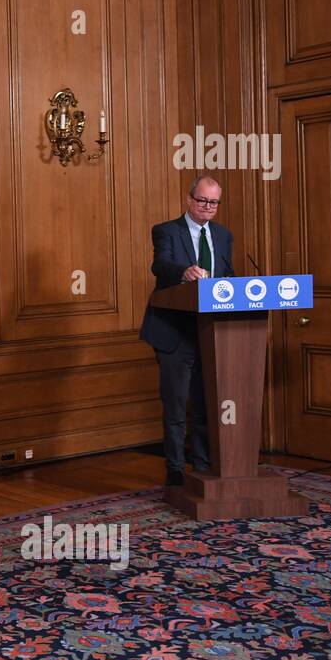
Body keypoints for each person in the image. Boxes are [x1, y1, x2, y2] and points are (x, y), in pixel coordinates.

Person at [139, 175, 235, 487]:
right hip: (173, 331)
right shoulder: (166, 230)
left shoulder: (223, 235)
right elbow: (160, 265)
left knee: (205, 403)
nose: (208, 207)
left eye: (214, 203)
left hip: (210, 332)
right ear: (189, 199)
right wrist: (183, 272)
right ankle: (176, 471)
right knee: (177, 404)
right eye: (202, 201)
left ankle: (204, 465)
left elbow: (227, 275)